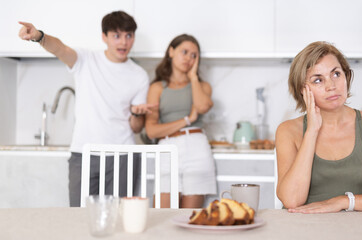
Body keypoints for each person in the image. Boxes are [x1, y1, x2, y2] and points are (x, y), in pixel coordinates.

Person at [18, 11, 156, 207]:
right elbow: (60, 49)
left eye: (129, 35)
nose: (124, 42)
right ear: (104, 37)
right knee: (78, 217)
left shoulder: (139, 75)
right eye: (117, 35)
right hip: (84, 153)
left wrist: (136, 113)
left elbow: (135, 127)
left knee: (117, 219)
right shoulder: (86, 59)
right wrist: (39, 36)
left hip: (123, 156)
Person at [275, 41, 362, 213]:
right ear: (302, 90)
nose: (331, 86)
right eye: (318, 80)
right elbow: (292, 200)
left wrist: (344, 201)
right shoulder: (288, 131)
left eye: (336, 74)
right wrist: (312, 131)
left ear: (346, 76)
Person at [145, 34, 217, 208]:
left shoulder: (202, 85)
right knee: (162, 215)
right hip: (167, 149)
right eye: (184, 52)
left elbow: (202, 106)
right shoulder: (157, 87)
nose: (189, 58)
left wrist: (193, 77)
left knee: (190, 218)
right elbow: (151, 131)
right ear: (171, 51)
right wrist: (187, 119)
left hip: (197, 148)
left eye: (194, 55)